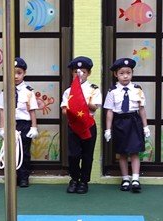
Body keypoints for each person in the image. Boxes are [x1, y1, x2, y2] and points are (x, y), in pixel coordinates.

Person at [104, 57, 149, 192]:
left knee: (135, 151)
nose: (125, 76)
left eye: (128, 73)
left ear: (132, 73)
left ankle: (135, 179)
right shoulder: (112, 91)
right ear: (116, 74)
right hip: (119, 122)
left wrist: (145, 126)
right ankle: (125, 178)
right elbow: (109, 111)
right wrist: (108, 129)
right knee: (122, 152)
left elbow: (141, 109)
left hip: (134, 121)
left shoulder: (137, 89)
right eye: (122, 73)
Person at [0, 57, 39, 188]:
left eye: (19, 73)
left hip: (24, 125)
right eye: (12, 73)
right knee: (10, 151)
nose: (15, 76)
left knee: (24, 151)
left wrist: (34, 127)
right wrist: (2, 128)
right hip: (10, 125)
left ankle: (24, 177)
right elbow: (2, 110)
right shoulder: (5, 91)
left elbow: (32, 111)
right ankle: (11, 177)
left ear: (24, 73)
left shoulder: (28, 91)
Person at [61, 56, 102, 194]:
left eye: (83, 72)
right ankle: (74, 179)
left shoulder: (93, 89)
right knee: (73, 155)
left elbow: (95, 107)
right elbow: (64, 110)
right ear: (72, 73)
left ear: (88, 73)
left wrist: (82, 102)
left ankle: (84, 181)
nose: (79, 74)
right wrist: (73, 106)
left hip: (88, 124)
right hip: (74, 126)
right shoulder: (69, 91)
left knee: (87, 155)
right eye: (76, 72)